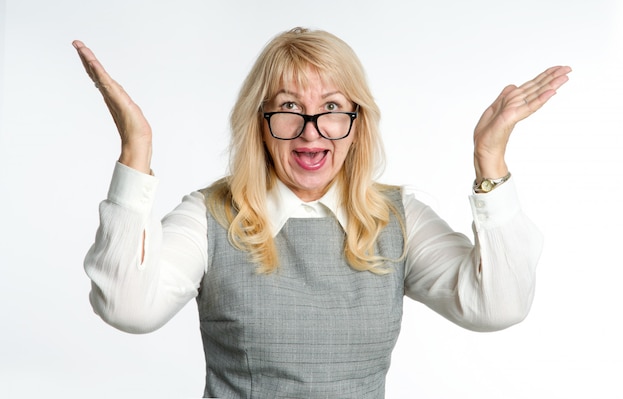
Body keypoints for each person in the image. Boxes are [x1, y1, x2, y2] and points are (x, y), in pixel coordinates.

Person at [74, 27, 570, 398]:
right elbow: (127, 309)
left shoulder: (398, 219)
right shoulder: (210, 216)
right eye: (288, 107)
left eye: (332, 107)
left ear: (357, 122)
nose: (312, 131)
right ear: (260, 123)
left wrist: (490, 158)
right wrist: (135, 151)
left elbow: (499, 306)